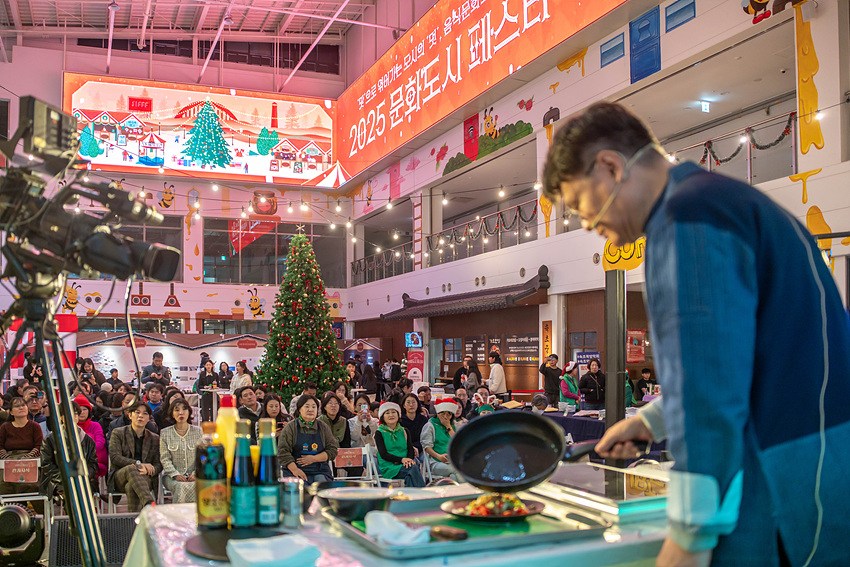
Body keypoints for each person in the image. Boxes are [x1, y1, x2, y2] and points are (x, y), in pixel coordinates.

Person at [546, 101, 850, 566]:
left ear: (610, 166)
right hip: (821, 467)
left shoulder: (685, 219)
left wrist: (690, 535)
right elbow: (736, 361)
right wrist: (651, 422)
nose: (586, 223)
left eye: (578, 204)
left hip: (777, 483)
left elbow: (712, 396)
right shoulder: (726, 201)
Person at [108, 403, 161, 512]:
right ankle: (149, 503)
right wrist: (138, 464)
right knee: (131, 468)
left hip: (144, 478)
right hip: (120, 477)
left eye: (145, 413)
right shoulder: (118, 433)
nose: (141, 416)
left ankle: (135, 519)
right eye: (137, 412)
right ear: (130, 415)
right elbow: (115, 457)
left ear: (148, 419)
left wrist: (152, 470)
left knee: (131, 487)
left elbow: (158, 464)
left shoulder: (154, 438)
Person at [41, 401, 99, 501]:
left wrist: (83, 476)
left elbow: (93, 464)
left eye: (75, 414)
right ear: (60, 417)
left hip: (83, 479)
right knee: (72, 490)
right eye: (68, 413)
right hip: (59, 480)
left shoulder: (87, 440)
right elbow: (47, 465)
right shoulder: (50, 439)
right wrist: (66, 477)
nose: (72, 417)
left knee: (82, 489)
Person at [277, 395, 338, 484]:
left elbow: (332, 450)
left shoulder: (323, 427)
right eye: (307, 406)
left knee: (320, 486)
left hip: (319, 470)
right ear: (299, 409)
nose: (310, 410)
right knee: (301, 488)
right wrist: (295, 470)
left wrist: (313, 459)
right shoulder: (290, 427)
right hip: (295, 470)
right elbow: (283, 452)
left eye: (313, 407)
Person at [159, 399, 202, 503]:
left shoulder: (198, 432)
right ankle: (179, 512)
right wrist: (175, 474)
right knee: (181, 486)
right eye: (177, 410)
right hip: (171, 477)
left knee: (198, 485)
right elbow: (165, 459)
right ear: (172, 414)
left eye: (184, 409)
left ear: (189, 412)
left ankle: (195, 512)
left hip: (194, 475)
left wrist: (195, 473)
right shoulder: (165, 433)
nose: (181, 413)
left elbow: (202, 457)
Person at [374, 402, 425, 487]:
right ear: (382, 416)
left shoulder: (405, 431)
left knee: (410, 473)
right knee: (412, 468)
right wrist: (402, 460)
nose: (391, 415)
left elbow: (410, 449)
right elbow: (383, 454)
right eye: (387, 413)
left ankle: (413, 494)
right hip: (389, 466)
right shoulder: (379, 433)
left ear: (398, 415)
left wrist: (408, 460)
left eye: (394, 412)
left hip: (405, 464)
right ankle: (422, 493)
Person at [0, 397, 43, 495]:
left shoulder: (35, 426)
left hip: (30, 459)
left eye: (23, 405)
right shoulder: (5, 427)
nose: (21, 408)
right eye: (17, 406)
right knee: (5, 485)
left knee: (31, 485)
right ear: (11, 412)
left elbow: (39, 446)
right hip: (8, 459)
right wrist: (9, 459)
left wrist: (26, 458)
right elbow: (0, 446)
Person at [319, 392, 362, 477]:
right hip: (325, 455)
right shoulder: (319, 422)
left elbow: (346, 444)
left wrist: (342, 455)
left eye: (336, 403)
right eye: (330, 403)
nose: (333, 406)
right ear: (324, 407)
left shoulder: (343, 421)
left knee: (357, 467)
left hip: (340, 454)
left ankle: (350, 484)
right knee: (330, 468)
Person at [421, 398, 461, 482]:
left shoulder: (454, 426)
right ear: (438, 413)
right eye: (442, 413)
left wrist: (448, 427)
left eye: (448, 414)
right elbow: (427, 447)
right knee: (459, 470)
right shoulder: (430, 425)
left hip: (453, 461)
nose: (445, 417)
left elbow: (458, 443)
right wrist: (439, 456)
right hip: (436, 462)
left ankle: (453, 489)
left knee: (454, 476)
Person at [74, 395, 108, 478]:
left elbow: (100, 443)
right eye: (79, 410)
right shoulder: (71, 427)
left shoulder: (95, 425)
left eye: (85, 409)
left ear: (89, 411)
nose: (82, 412)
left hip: (94, 462)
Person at [399, 393, 427, 458]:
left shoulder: (423, 419)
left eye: (413, 402)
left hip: (421, 448)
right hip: (405, 449)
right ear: (404, 405)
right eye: (408, 402)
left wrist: (417, 447)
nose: (411, 405)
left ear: (417, 404)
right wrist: (411, 448)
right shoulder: (399, 421)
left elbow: (426, 438)